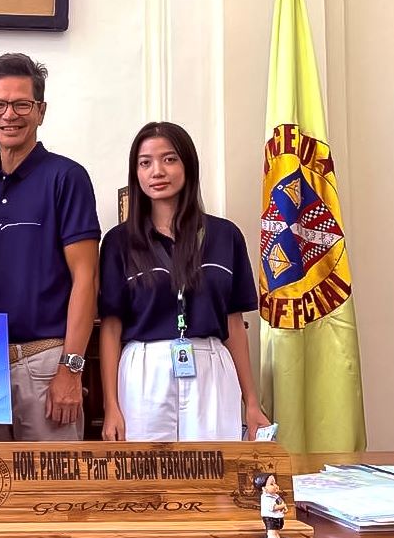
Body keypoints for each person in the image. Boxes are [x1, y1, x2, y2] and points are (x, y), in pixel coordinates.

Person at [98, 122, 269, 442]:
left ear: (188, 165)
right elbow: (111, 327)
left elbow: (234, 324)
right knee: (146, 479)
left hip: (210, 365)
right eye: (145, 162)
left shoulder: (225, 236)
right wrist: (111, 406)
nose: (157, 171)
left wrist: (252, 402)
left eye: (169, 159)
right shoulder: (119, 242)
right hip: (144, 369)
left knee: (215, 473)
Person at [0, 53, 100, 442]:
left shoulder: (67, 178)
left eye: (22, 104)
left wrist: (70, 369)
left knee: (53, 497)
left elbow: (86, 279)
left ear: (40, 111)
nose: (10, 114)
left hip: (46, 362)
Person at [254, 471, 293, 538]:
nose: (275, 486)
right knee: (272, 528)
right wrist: (282, 506)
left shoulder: (275, 496)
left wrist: (284, 507)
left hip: (278, 516)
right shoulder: (266, 498)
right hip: (270, 517)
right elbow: (272, 507)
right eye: (272, 484)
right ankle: (271, 536)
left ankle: (276, 536)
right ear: (264, 488)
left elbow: (281, 502)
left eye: (275, 483)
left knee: (277, 527)